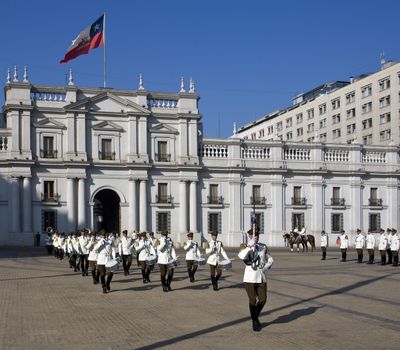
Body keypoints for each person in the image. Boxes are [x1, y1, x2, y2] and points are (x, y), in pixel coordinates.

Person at [238, 230, 273, 332]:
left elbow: (270, 259)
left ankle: (254, 316)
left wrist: (265, 267)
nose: (255, 237)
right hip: (249, 277)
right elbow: (241, 256)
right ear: (249, 236)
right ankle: (255, 321)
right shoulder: (245, 246)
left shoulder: (263, 246)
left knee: (263, 299)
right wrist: (249, 246)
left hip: (261, 276)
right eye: (253, 236)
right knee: (252, 300)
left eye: (257, 235)